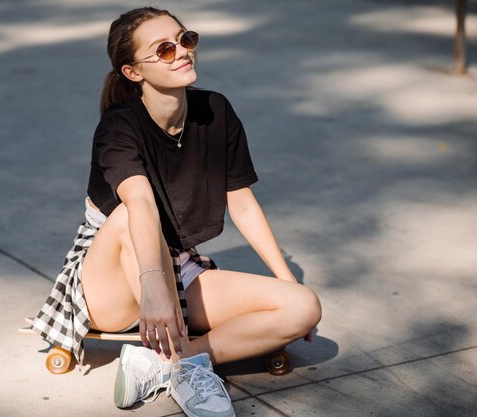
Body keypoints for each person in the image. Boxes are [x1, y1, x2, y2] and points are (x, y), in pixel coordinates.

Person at [32, 7, 322, 417]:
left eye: (185, 40)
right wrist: (154, 288)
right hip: (110, 279)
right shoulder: (119, 128)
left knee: (302, 306)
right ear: (134, 73)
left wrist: (286, 279)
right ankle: (186, 372)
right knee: (128, 218)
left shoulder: (216, 111)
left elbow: (241, 201)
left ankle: (170, 361)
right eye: (164, 50)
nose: (183, 52)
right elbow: (141, 206)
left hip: (176, 266)